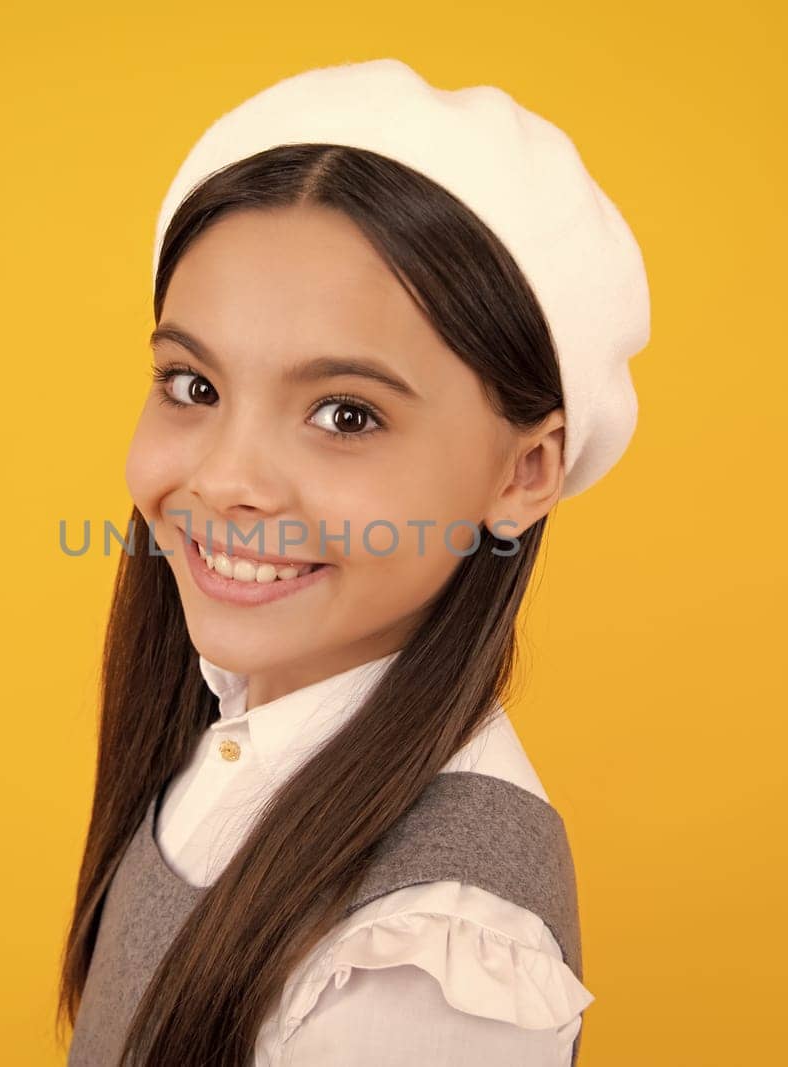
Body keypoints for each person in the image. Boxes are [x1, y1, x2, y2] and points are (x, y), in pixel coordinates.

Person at [57, 57, 650, 1065]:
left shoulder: (423, 959)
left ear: (525, 469)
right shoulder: (232, 720)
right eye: (192, 384)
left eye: (345, 414)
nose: (228, 479)